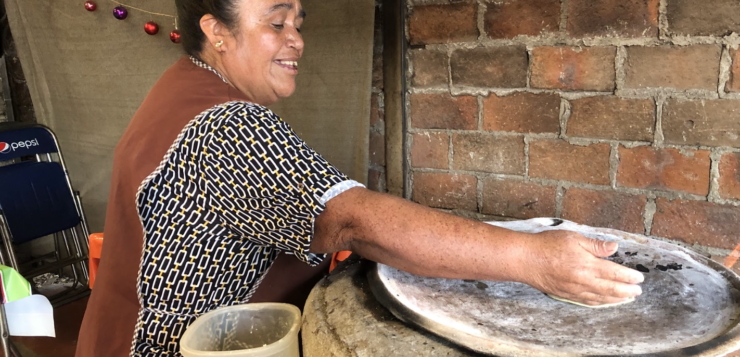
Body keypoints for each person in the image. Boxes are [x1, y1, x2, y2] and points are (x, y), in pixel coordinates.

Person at [76, 0, 644, 356]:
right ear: (215, 30)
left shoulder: (183, 88)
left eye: (299, 23)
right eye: (276, 23)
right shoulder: (224, 124)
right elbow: (348, 220)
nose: (296, 38)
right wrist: (533, 260)